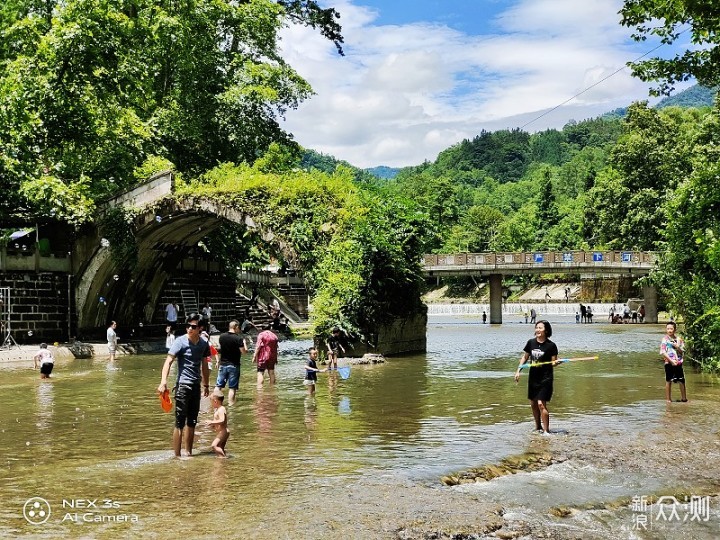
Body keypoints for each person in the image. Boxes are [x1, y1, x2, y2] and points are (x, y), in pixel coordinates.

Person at [157, 313, 211, 458]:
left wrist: (206, 385)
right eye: (187, 326)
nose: (189, 329)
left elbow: (205, 365)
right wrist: (163, 382)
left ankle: (188, 453)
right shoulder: (180, 342)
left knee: (192, 422)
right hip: (182, 386)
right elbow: (168, 362)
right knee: (179, 422)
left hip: (195, 386)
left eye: (193, 327)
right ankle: (177, 456)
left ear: (200, 328)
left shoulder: (203, 344)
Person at [514, 320, 559, 435]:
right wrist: (518, 371)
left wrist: (556, 363)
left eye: (540, 328)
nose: (538, 330)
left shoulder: (551, 346)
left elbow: (553, 362)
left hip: (546, 378)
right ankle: (538, 427)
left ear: (546, 330)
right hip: (533, 378)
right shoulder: (531, 343)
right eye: (536, 327)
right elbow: (524, 358)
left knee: (540, 404)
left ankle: (546, 431)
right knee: (533, 404)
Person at [215, 320, 248, 405]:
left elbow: (220, 350)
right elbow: (244, 352)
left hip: (223, 364)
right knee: (232, 388)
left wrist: (218, 361)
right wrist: (244, 343)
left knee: (218, 386)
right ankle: (231, 405)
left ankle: (215, 403)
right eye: (239, 328)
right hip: (234, 365)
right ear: (236, 327)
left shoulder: (221, 336)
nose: (239, 329)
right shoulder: (238, 338)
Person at [660, 322, 688, 403]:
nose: (669, 330)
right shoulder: (664, 340)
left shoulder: (679, 339)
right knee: (669, 380)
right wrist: (671, 361)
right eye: (668, 329)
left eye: (671, 328)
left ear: (675, 329)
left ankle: (684, 398)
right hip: (668, 362)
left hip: (678, 363)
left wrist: (677, 347)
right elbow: (663, 352)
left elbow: (682, 352)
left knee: (681, 380)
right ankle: (668, 399)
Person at [206, 391, 229, 458]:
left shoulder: (221, 409)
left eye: (211, 402)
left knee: (214, 445)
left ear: (215, 401)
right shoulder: (218, 410)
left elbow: (222, 420)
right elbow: (218, 421)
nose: (211, 404)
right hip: (222, 431)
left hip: (223, 431)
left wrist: (211, 422)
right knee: (220, 447)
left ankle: (224, 458)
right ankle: (221, 461)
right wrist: (212, 425)